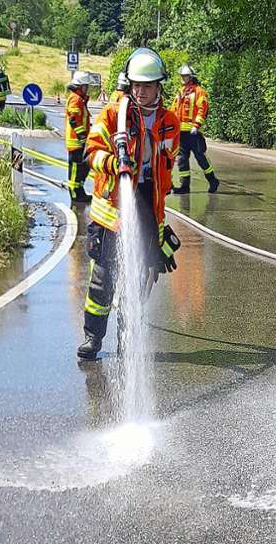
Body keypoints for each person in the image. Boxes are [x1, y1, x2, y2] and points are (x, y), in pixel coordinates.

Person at [78, 48, 182, 361]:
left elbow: (167, 165)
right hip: (113, 211)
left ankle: (128, 343)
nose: (141, 91)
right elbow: (91, 152)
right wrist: (114, 163)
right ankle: (93, 339)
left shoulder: (169, 122)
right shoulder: (115, 114)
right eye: (136, 85)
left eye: (147, 86)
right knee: (103, 281)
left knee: (139, 282)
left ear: (158, 86)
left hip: (149, 206)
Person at [170, 63, 219, 194]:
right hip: (181, 133)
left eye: (185, 76)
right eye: (181, 75)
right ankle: (184, 186)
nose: (182, 78)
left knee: (200, 157)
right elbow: (174, 110)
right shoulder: (181, 92)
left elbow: (203, 109)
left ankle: (213, 180)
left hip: (193, 133)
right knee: (182, 160)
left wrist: (196, 125)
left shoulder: (199, 92)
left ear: (191, 77)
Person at [65, 70, 94, 204]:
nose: (87, 88)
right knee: (76, 170)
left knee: (82, 168)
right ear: (80, 86)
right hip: (76, 142)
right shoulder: (75, 99)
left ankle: (80, 191)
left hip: (80, 141)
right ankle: (75, 194)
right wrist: (82, 136)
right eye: (86, 86)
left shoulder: (79, 99)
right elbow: (74, 120)